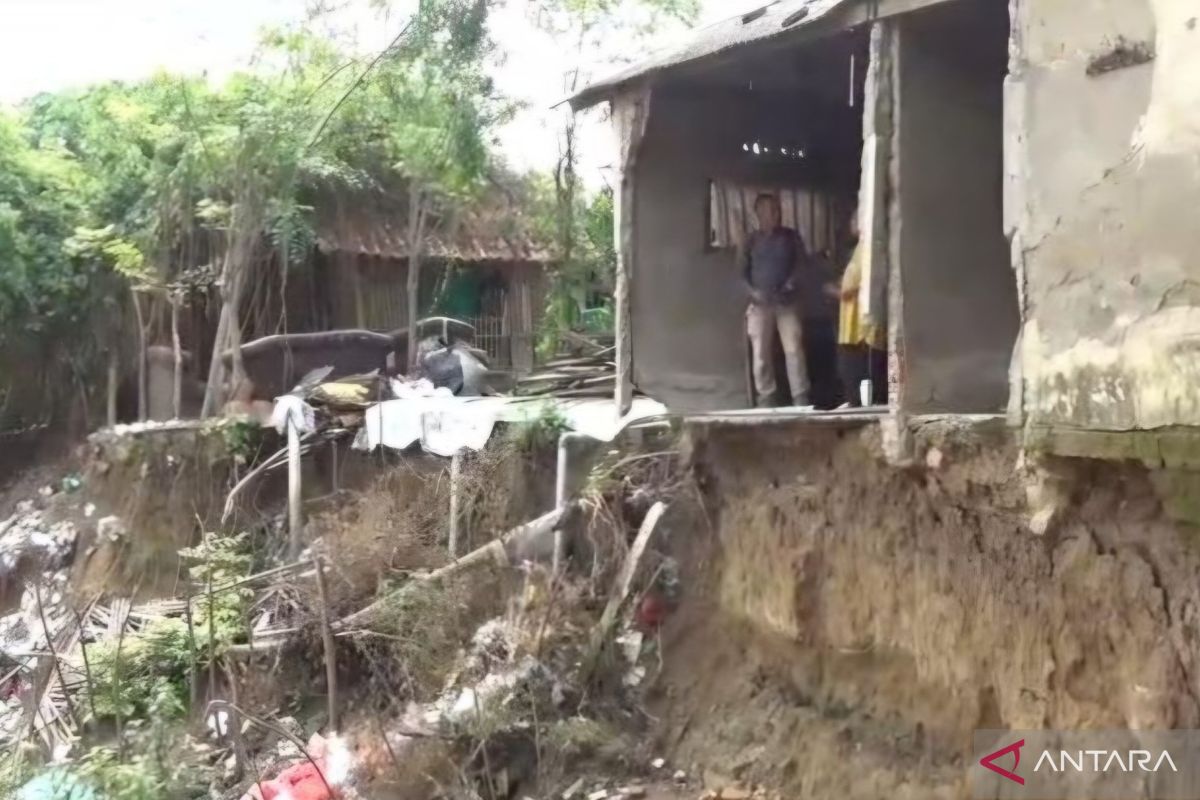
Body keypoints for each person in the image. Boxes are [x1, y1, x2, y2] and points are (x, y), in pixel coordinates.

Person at [740, 193, 811, 408]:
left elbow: (801, 265)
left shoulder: (791, 237)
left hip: (786, 303)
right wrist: (752, 292)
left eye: (776, 210)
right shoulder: (751, 241)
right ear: (758, 214)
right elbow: (741, 274)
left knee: (794, 349)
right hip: (760, 305)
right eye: (769, 210)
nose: (774, 215)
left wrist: (790, 283)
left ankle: (800, 396)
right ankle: (766, 397)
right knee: (760, 354)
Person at [836, 212, 887, 406]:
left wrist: (844, 292)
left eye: (855, 218)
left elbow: (870, 280)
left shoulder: (870, 249)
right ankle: (856, 400)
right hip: (851, 320)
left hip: (861, 322)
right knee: (850, 365)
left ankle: (862, 402)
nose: (851, 222)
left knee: (858, 366)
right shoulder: (859, 248)